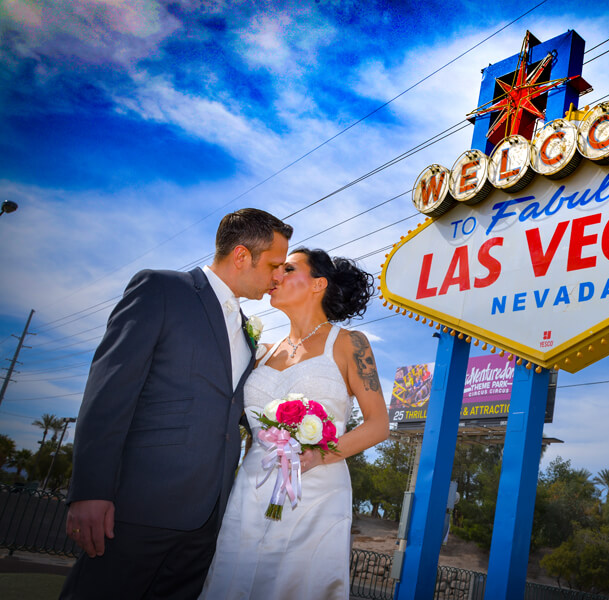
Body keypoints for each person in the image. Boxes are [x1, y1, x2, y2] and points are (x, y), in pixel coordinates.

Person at [61, 208, 293, 600]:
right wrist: (90, 490)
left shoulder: (249, 332)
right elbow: (109, 391)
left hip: (208, 518)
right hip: (140, 507)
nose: (277, 276)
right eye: (273, 264)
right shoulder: (162, 290)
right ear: (241, 256)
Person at [199, 247, 389, 599]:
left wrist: (321, 454)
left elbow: (378, 425)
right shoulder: (261, 351)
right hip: (253, 488)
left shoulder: (350, 344)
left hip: (316, 490)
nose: (276, 276)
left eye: (288, 268)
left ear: (318, 284)